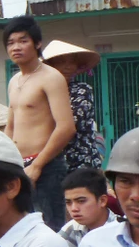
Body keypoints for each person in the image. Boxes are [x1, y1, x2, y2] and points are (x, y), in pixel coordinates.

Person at [4, 15, 76, 231]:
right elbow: (10, 127)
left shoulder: (51, 77)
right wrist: (7, 163)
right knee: (22, 228)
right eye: (10, 42)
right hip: (20, 167)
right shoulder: (14, 80)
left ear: (37, 43)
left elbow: (66, 127)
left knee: (49, 230)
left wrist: (37, 166)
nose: (16, 47)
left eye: (23, 41)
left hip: (46, 167)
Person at [42, 40, 103, 172]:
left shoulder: (82, 90)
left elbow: (71, 125)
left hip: (81, 162)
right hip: (50, 163)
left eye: (71, 62)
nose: (68, 66)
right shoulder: (42, 93)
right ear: (50, 65)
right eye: (62, 62)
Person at [59, 168, 117, 247]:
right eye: (68, 202)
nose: (74, 208)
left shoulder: (121, 230)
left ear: (102, 200)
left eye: (81, 201)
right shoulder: (72, 228)